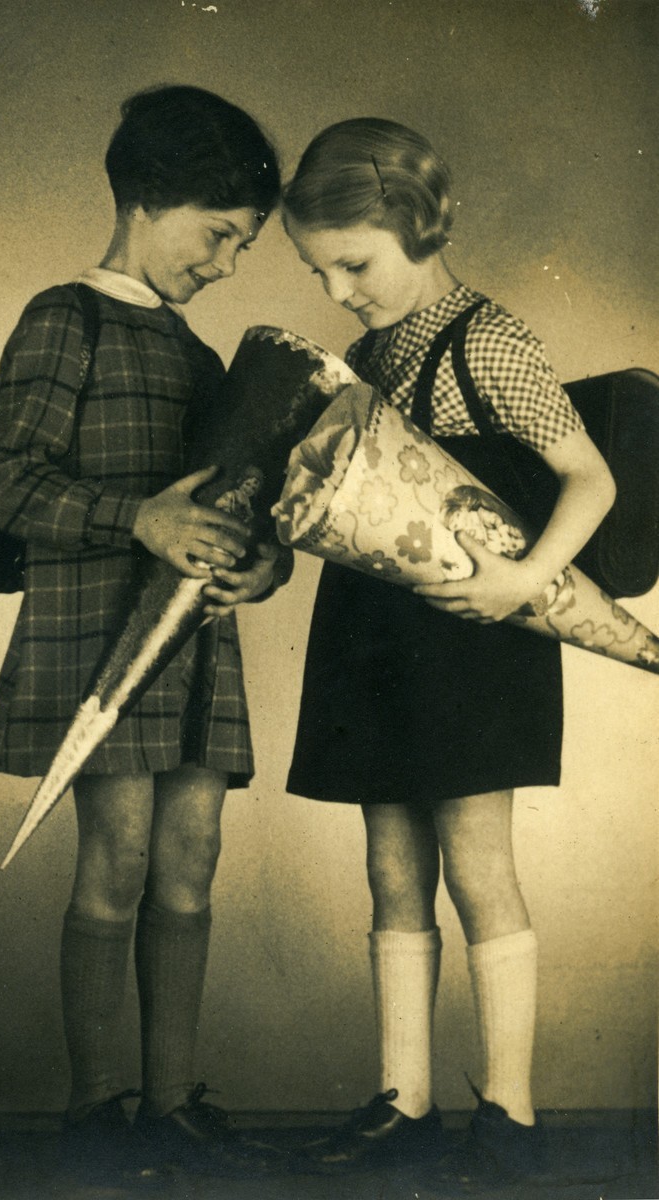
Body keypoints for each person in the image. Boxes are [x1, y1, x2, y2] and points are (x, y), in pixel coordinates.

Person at [281, 118, 615, 1186]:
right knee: (390, 871)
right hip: (378, 633)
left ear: (415, 224)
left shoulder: (494, 340)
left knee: (477, 870)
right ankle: (405, 1102)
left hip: (475, 641)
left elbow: (592, 480)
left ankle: (508, 1115)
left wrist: (526, 581)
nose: (337, 291)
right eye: (319, 270)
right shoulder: (374, 354)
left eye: (354, 264)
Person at [0, 85, 286, 1177]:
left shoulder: (202, 360)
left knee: (191, 856)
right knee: (115, 859)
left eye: (240, 247)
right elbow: (7, 487)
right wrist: (139, 518)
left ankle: (169, 1101)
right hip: (96, 643)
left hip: (192, 648)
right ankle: (96, 1105)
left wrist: (263, 562)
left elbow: (241, 504)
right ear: (153, 200)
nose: (226, 265)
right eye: (220, 236)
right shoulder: (63, 318)